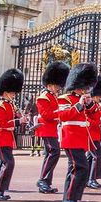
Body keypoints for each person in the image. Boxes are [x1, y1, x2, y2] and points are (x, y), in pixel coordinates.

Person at [57, 63, 98, 202]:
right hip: (71, 138)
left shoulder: (82, 99)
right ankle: (69, 201)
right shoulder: (64, 98)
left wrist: (89, 104)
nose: (84, 90)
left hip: (81, 139)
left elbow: (94, 114)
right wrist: (79, 106)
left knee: (75, 170)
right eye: (83, 87)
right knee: (80, 168)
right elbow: (63, 116)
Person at [0, 68, 26, 202]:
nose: (14, 94)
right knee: (8, 163)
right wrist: (17, 121)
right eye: (12, 92)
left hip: (7, 138)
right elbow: (2, 123)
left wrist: (19, 118)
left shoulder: (10, 105)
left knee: (3, 164)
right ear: (5, 92)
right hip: (1, 138)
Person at [35, 61, 69, 194]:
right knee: (54, 152)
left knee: (51, 154)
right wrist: (60, 112)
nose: (58, 88)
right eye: (56, 85)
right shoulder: (43, 97)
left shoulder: (53, 96)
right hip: (45, 129)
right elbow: (46, 115)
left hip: (52, 129)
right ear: (50, 84)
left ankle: (46, 182)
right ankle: (43, 180)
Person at [86, 76, 101, 189]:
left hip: (95, 134)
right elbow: (87, 119)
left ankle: (87, 179)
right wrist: (100, 120)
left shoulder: (96, 106)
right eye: (99, 96)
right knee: (97, 156)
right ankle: (91, 179)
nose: (100, 98)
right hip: (90, 134)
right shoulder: (89, 104)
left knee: (90, 157)